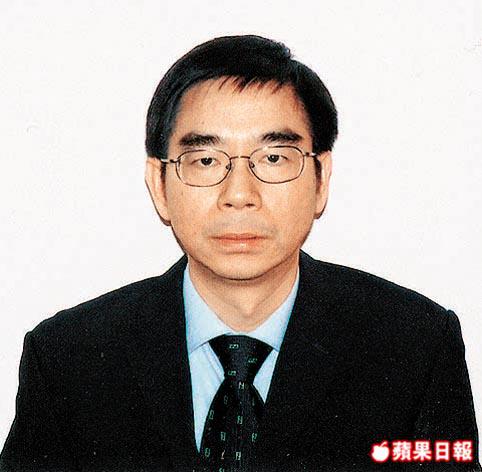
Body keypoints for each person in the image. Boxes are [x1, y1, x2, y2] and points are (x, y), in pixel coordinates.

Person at [0, 35, 479, 472]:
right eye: (206, 160)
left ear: (321, 180)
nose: (239, 195)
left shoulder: (414, 346)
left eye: (274, 158)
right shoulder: (68, 358)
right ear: (159, 185)